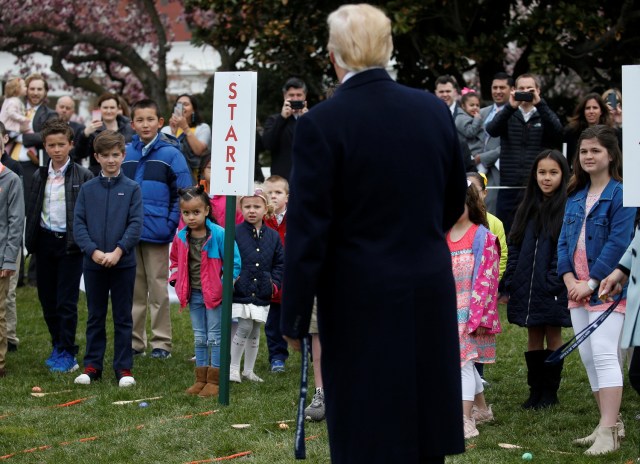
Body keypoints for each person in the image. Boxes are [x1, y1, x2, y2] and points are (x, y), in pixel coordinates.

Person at [280, 4, 467, 463]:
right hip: (425, 280)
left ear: (333, 56)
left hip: (357, 291)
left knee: (366, 425)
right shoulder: (432, 110)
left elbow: (308, 231)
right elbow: (453, 199)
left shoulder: (321, 124)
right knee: (423, 424)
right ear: (387, 49)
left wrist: (295, 318)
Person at [557, 125, 635, 455]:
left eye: (595, 151)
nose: (588, 156)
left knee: (604, 353)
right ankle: (609, 424)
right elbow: (562, 243)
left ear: (611, 155)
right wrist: (569, 281)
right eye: (584, 151)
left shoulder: (622, 194)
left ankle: (607, 430)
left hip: (605, 288)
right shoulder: (574, 197)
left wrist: (590, 283)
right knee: (589, 358)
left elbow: (620, 241)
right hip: (577, 289)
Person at [122, 99, 192, 359]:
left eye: (150, 119)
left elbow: (183, 192)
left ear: (160, 122)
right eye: (139, 120)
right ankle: (134, 342)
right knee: (134, 290)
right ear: (132, 124)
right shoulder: (126, 153)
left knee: (158, 288)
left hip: (158, 231)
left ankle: (161, 342)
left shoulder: (171, 154)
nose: (145, 124)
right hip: (129, 232)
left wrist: (170, 222)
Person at [73, 131, 143, 387]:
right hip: (93, 264)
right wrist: (93, 251)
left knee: (123, 316)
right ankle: (92, 365)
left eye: (116, 155)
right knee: (95, 315)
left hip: (122, 263)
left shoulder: (132, 188)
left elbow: (135, 224)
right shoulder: (88, 189)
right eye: (105, 155)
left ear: (123, 155)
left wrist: (118, 251)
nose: (111, 160)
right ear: (96, 157)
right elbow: (79, 223)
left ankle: (124, 368)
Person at [502, 150, 570, 410]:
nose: (547, 178)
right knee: (533, 335)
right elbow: (515, 244)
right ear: (534, 175)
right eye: (542, 172)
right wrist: (513, 276)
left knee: (553, 333)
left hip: (552, 286)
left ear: (562, 175)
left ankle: (550, 392)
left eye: (553, 172)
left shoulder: (566, 207)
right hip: (526, 286)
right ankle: (535, 390)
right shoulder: (526, 207)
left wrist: (554, 278)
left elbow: (564, 249)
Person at [25, 118, 93, 373]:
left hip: (69, 244)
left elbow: (86, 212)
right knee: (47, 298)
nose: (56, 149)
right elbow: (33, 210)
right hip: (44, 242)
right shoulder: (38, 175)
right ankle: (57, 344)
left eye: (61, 145)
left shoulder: (82, 175)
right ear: (45, 146)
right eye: (51, 145)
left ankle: (67, 350)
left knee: (66, 300)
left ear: (70, 145)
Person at [169, 185, 240, 397]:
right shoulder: (180, 237)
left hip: (214, 295)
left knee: (215, 337)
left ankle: (214, 381)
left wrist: (223, 283)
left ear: (207, 211)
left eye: (196, 212)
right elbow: (173, 261)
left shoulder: (219, 234)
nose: (191, 217)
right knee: (200, 337)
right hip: (194, 295)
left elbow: (234, 262)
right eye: (186, 213)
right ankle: (200, 379)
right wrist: (175, 279)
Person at [447, 180, 500, 439]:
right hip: (446, 311)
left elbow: (487, 280)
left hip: (470, 313)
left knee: (464, 365)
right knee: (460, 363)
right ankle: (481, 409)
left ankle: (465, 420)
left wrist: (477, 317)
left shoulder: (482, 237)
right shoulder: (441, 236)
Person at [486, 73, 563, 233]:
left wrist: (540, 104)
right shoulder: (508, 113)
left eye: (530, 89)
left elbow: (558, 133)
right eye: (521, 88)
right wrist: (510, 106)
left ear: (538, 91)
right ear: (514, 90)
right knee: (505, 234)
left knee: (533, 232)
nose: (526, 92)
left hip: (535, 186)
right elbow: (492, 129)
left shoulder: (543, 112)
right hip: (509, 185)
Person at [230, 189, 284, 383]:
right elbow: (227, 258)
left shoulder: (273, 236)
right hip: (242, 289)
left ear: (265, 209)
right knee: (244, 325)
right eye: (247, 206)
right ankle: (233, 368)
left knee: (255, 330)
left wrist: (274, 284)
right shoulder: (234, 232)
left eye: (256, 206)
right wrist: (233, 279)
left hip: (262, 290)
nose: (251, 210)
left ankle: (249, 370)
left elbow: (280, 262)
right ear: (241, 209)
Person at [0, 126, 24, 377]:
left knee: (2, 308)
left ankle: (0, 361)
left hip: (2, 253)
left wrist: (8, 258)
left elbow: (15, 223)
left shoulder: (11, 179)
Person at [263, 175, 289, 372]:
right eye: (269, 193)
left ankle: (312, 353)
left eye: (278, 193)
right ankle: (277, 357)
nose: (273, 197)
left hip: (293, 280)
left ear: (287, 197)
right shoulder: (262, 220)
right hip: (271, 281)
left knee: (304, 321)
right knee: (273, 324)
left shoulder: (296, 219)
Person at [477, 72, 513, 214]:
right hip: (478, 169)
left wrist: (484, 158)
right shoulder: (482, 112)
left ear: (511, 89)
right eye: (495, 87)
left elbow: (508, 144)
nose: (498, 91)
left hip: (500, 169)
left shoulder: (514, 114)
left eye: (502, 88)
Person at [76, 93, 135, 175]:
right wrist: (85, 134)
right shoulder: (92, 129)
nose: (109, 111)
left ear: (118, 108)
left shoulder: (130, 127)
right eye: (105, 108)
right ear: (99, 109)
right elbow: (80, 154)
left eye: (112, 108)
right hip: (98, 175)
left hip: (125, 174)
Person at [262, 77, 309, 180]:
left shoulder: (312, 119)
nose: (295, 99)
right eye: (291, 95)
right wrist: (282, 118)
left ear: (305, 96)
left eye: (299, 95)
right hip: (281, 181)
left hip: (306, 178)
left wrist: (306, 120)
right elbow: (267, 144)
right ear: (285, 96)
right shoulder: (274, 120)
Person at [161, 94, 211, 180]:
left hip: (196, 178)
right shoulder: (166, 130)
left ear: (193, 110)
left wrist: (185, 127)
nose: (182, 107)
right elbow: (166, 154)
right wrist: (173, 133)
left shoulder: (202, 128)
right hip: (172, 175)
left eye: (186, 104)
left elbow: (198, 150)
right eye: (179, 104)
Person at [564, 93, 619, 170]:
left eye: (595, 108)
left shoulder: (612, 133)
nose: (591, 111)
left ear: (601, 111)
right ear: (583, 111)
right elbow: (567, 159)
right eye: (588, 108)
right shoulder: (571, 132)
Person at [197, 153, 243, 226]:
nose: (214, 170)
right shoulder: (193, 194)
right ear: (203, 170)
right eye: (210, 167)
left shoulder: (233, 196)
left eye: (218, 167)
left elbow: (240, 226)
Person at [0, 77, 30, 156]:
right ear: (17, 89)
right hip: (9, 128)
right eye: (24, 86)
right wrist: (23, 118)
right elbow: (11, 112)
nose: (26, 88)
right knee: (11, 140)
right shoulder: (13, 101)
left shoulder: (10, 100)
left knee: (7, 146)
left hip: (7, 128)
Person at [55, 96, 85, 161]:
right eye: (62, 107)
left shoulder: (79, 129)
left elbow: (78, 153)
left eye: (67, 108)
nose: (64, 110)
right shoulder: (47, 126)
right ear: (56, 108)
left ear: (72, 112)